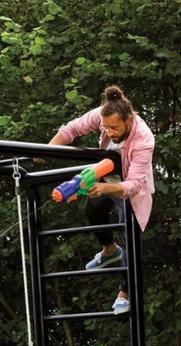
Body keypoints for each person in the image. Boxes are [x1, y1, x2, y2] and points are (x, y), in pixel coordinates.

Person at [49, 85, 155, 315]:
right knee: (93, 210)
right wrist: (46, 151)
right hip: (106, 177)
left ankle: (123, 294)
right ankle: (109, 250)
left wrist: (106, 187)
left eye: (114, 127)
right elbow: (71, 130)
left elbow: (135, 185)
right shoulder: (102, 117)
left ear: (128, 119)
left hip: (129, 189)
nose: (109, 132)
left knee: (130, 237)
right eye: (105, 127)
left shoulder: (144, 139)